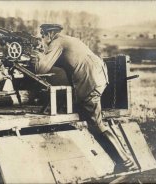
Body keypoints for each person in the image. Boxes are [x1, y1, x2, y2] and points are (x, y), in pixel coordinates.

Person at [35, 24, 137, 171]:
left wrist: (37, 53)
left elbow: (41, 69)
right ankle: (125, 162)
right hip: (99, 78)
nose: (42, 39)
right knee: (96, 121)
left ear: (49, 34)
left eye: (43, 36)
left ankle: (125, 163)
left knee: (96, 123)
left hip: (89, 81)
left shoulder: (57, 42)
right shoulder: (69, 40)